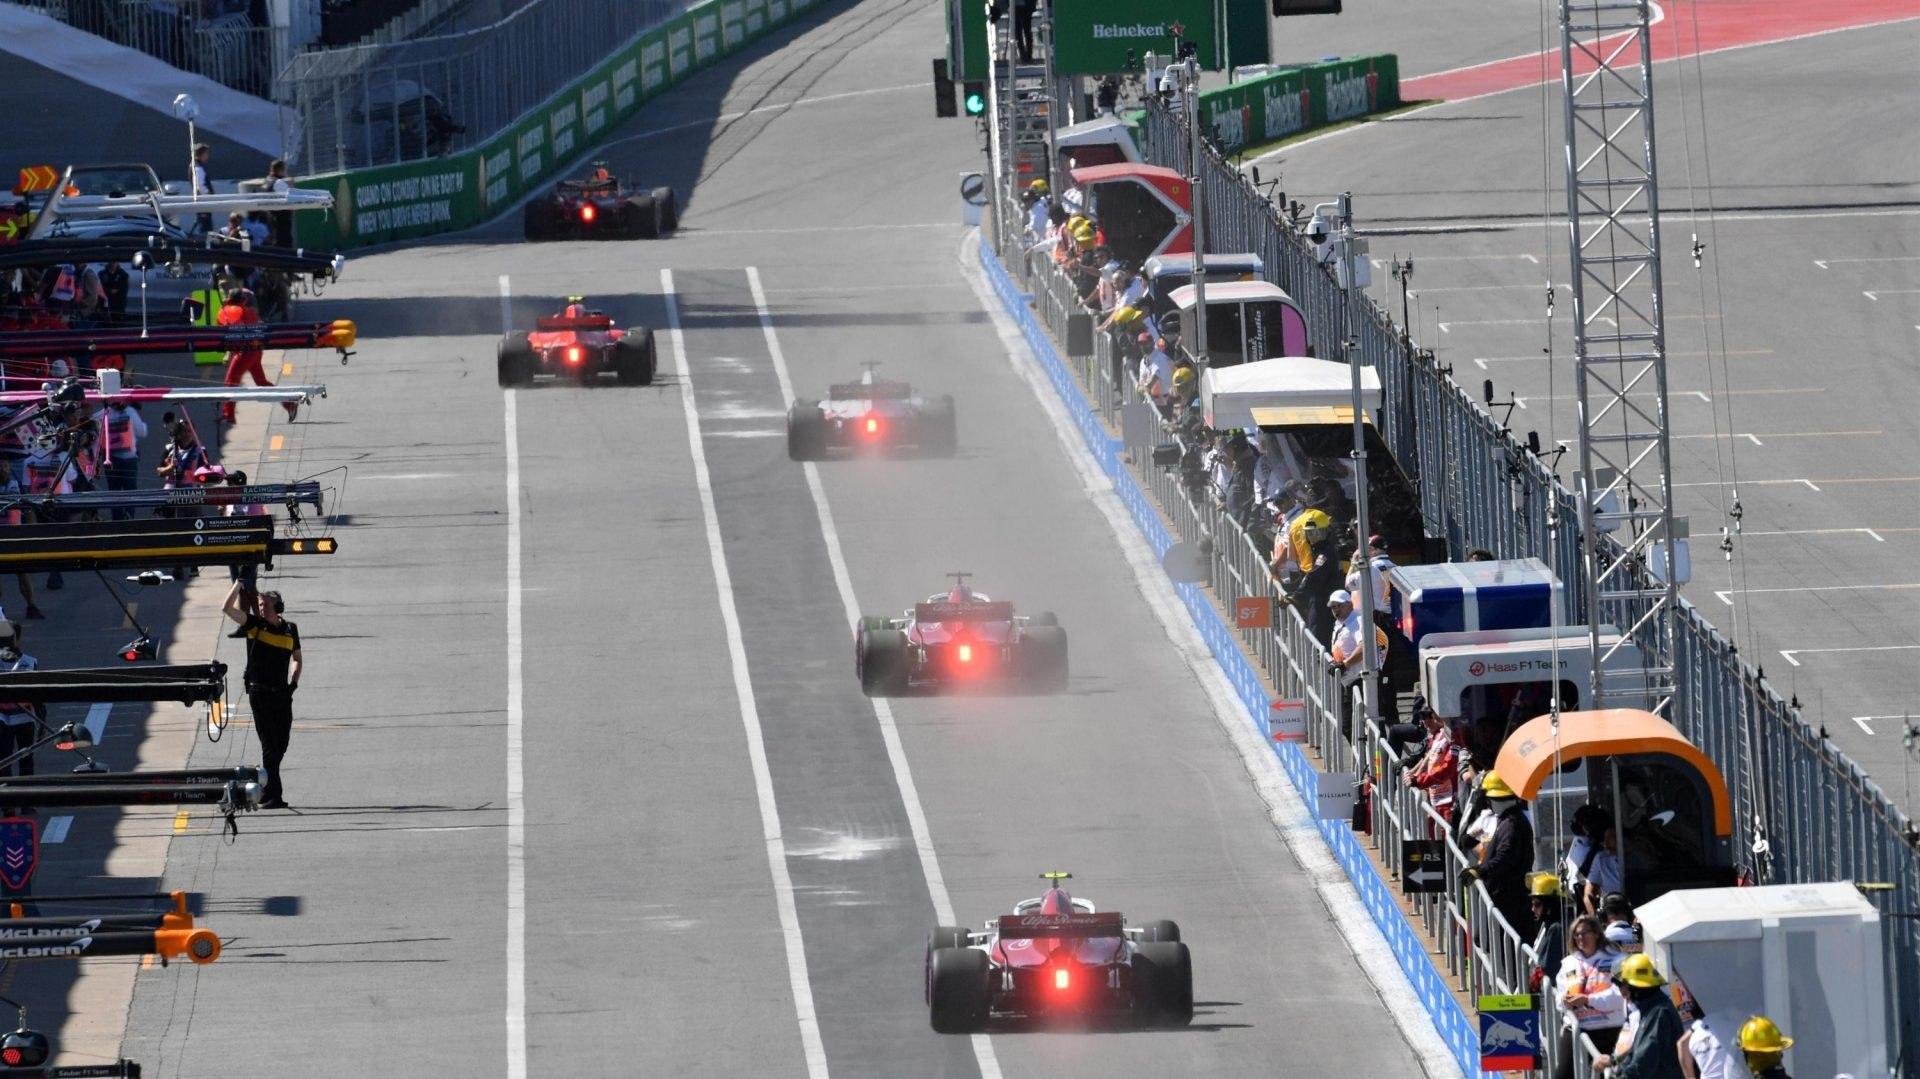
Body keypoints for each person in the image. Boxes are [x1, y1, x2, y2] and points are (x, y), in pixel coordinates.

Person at [224, 581, 301, 809]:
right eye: (260, 605)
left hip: (283, 693)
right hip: (260, 693)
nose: (262, 608)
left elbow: (297, 658)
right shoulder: (254, 625)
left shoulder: (290, 629)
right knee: (269, 745)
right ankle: (273, 795)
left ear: (279, 608)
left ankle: (265, 786)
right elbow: (227, 609)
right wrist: (238, 584)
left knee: (281, 744)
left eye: (266, 605)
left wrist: (293, 683)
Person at [1461, 770, 1536, 939]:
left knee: (1505, 944)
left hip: (1509, 900)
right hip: (1506, 896)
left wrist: (1481, 870)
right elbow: (1467, 841)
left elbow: (1505, 857)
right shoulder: (1507, 820)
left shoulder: (1511, 825)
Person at [1553, 914, 1625, 1078]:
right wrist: (1565, 1001)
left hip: (1610, 1029)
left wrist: (1588, 1000)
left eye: (1585, 933)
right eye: (1576, 934)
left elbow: (1620, 996)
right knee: (1562, 1075)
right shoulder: (1568, 964)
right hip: (1576, 1029)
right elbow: (1559, 999)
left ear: (1597, 934)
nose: (1580, 938)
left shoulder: (1617, 959)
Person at [1593, 953, 1685, 1078]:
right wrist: (1615, 1061)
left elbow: (1643, 1063)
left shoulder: (1658, 1014)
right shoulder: (1652, 1009)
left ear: (1633, 987)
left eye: (1620, 985)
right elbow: (1637, 1051)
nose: (1621, 991)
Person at [216, 287, 295, 423]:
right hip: (256, 351)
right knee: (261, 382)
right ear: (244, 300)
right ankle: (289, 403)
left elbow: (227, 327)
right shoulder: (251, 312)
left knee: (231, 381)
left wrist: (224, 312)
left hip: (245, 352)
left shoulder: (233, 311)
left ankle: (228, 415)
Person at [0, 624, 41, 790]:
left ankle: (24, 797)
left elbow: (38, 696)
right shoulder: (29, 662)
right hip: (6, 719)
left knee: (22, 760)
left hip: (24, 718)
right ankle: (11, 798)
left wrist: (41, 719)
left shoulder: (30, 662)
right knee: (8, 760)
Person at [95, 397, 147, 520]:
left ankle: (117, 520)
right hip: (129, 459)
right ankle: (129, 517)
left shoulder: (101, 415)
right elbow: (142, 432)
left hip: (110, 459)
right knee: (130, 492)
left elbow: (96, 439)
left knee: (114, 492)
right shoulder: (130, 412)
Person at [1528, 872, 1567, 994]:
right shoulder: (1557, 924)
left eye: (1537, 904)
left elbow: (1548, 968)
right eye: (1532, 904)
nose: (1533, 909)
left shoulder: (1556, 929)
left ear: (1550, 904)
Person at [191, 143, 214, 235]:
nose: (207, 156)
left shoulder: (195, 166)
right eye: (206, 153)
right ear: (202, 154)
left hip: (201, 202)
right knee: (205, 228)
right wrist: (209, 195)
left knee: (203, 225)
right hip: (204, 202)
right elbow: (200, 186)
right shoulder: (198, 168)